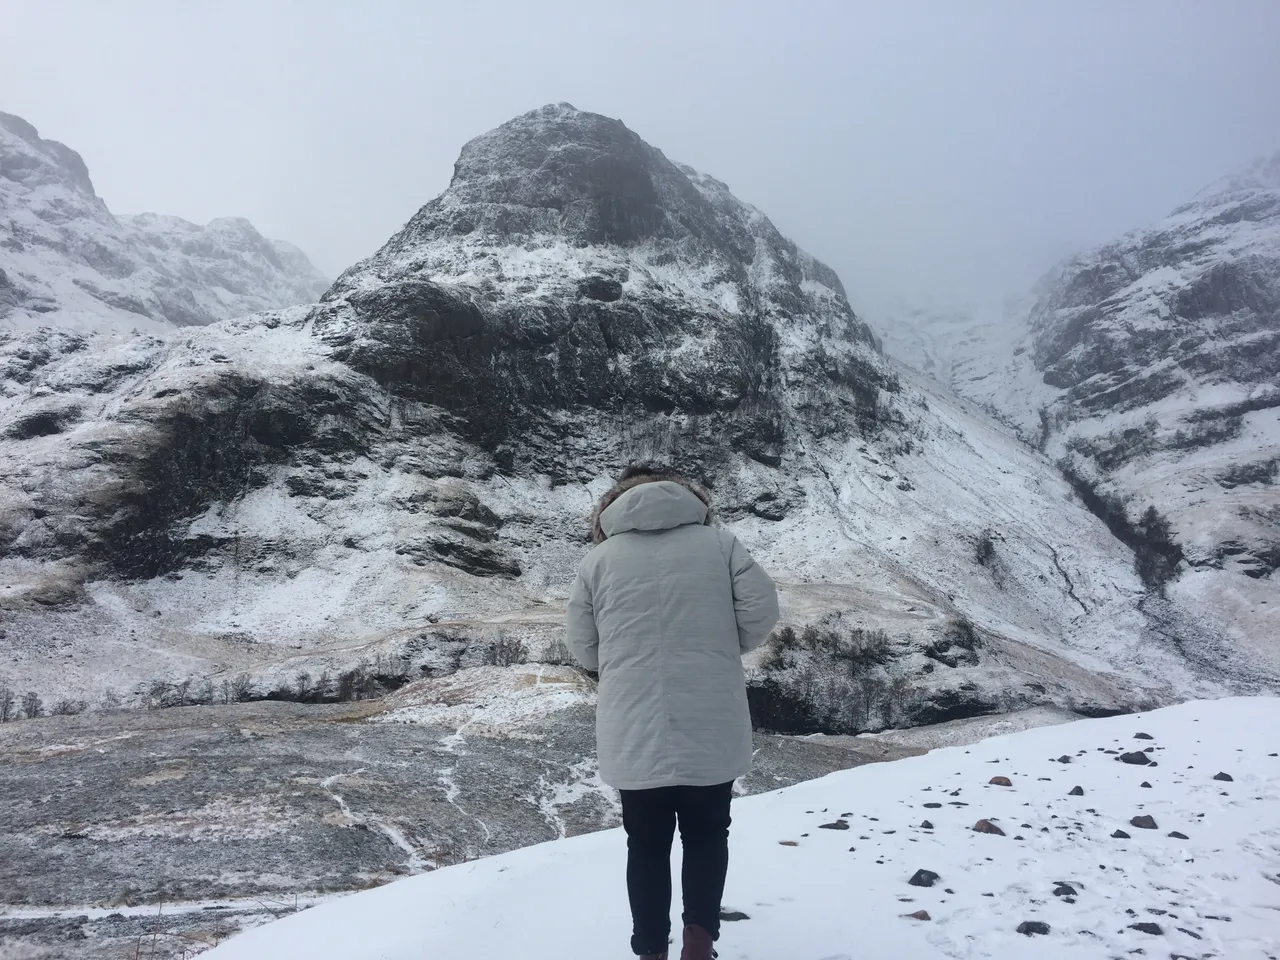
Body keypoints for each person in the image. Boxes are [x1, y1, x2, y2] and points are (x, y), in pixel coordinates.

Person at [565, 464, 780, 960]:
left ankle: (650, 952)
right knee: (707, 835)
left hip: (632, 723)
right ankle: (699, 945)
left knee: (645, 843)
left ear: (611, 510)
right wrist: (724, 648)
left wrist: (621, 663)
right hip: (712, 718)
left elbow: (584, 646)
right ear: (690, 500)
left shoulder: (598, 561)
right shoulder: (721, 545)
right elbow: (761, 610)